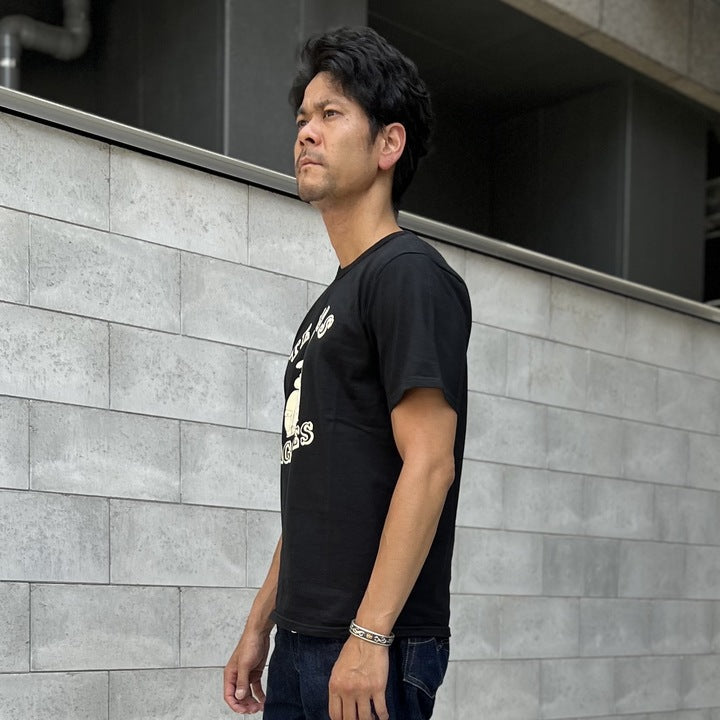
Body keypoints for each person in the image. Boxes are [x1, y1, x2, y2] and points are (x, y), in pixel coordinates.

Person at [224, 25, 471, 720]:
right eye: (303, 117)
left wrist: (369, 636)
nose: (306, 132)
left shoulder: (408, 276)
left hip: (369, 647)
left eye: (331, 114)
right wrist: (261, 622)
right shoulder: (330, 306)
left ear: (389, 144)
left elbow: (430, 464)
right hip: (304, 641)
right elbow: (316, 487)